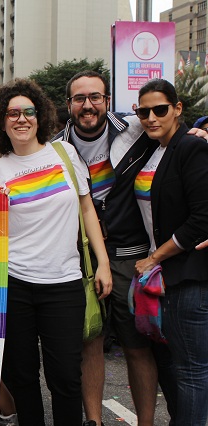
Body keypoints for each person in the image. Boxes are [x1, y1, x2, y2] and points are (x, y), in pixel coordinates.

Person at [0, 78, 111, 425]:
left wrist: (103, 264)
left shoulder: (63, 153)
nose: (21, 119)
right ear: (1, 120)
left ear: (40, 116)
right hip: (15, 285)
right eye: (13, 113)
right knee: (22, 377)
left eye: (28, 111)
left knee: (66, 377)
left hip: (65, 283)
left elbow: (87, 209)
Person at [52, 70, 173, 426]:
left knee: (137, 346)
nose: (87, 106)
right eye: (79, 99)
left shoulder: (137, 132)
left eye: (95, 97)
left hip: (132, 255)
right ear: (69, 104)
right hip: (81, 256)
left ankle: (146, 422)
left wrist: (199, 130)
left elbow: (175, 140)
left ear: (107, 100)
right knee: (90, 340)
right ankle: (94, 421)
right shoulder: (57, 148)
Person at [133, 78, 208, 425]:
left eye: (159, 109)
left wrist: (155, 257)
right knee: (176, 367)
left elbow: (201, 219)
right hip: (162, 278)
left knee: (192, 371)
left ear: (177, 109)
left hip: (187, 274)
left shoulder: (191, 147)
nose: (151, 117)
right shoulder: (154, 149)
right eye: (143, 111)